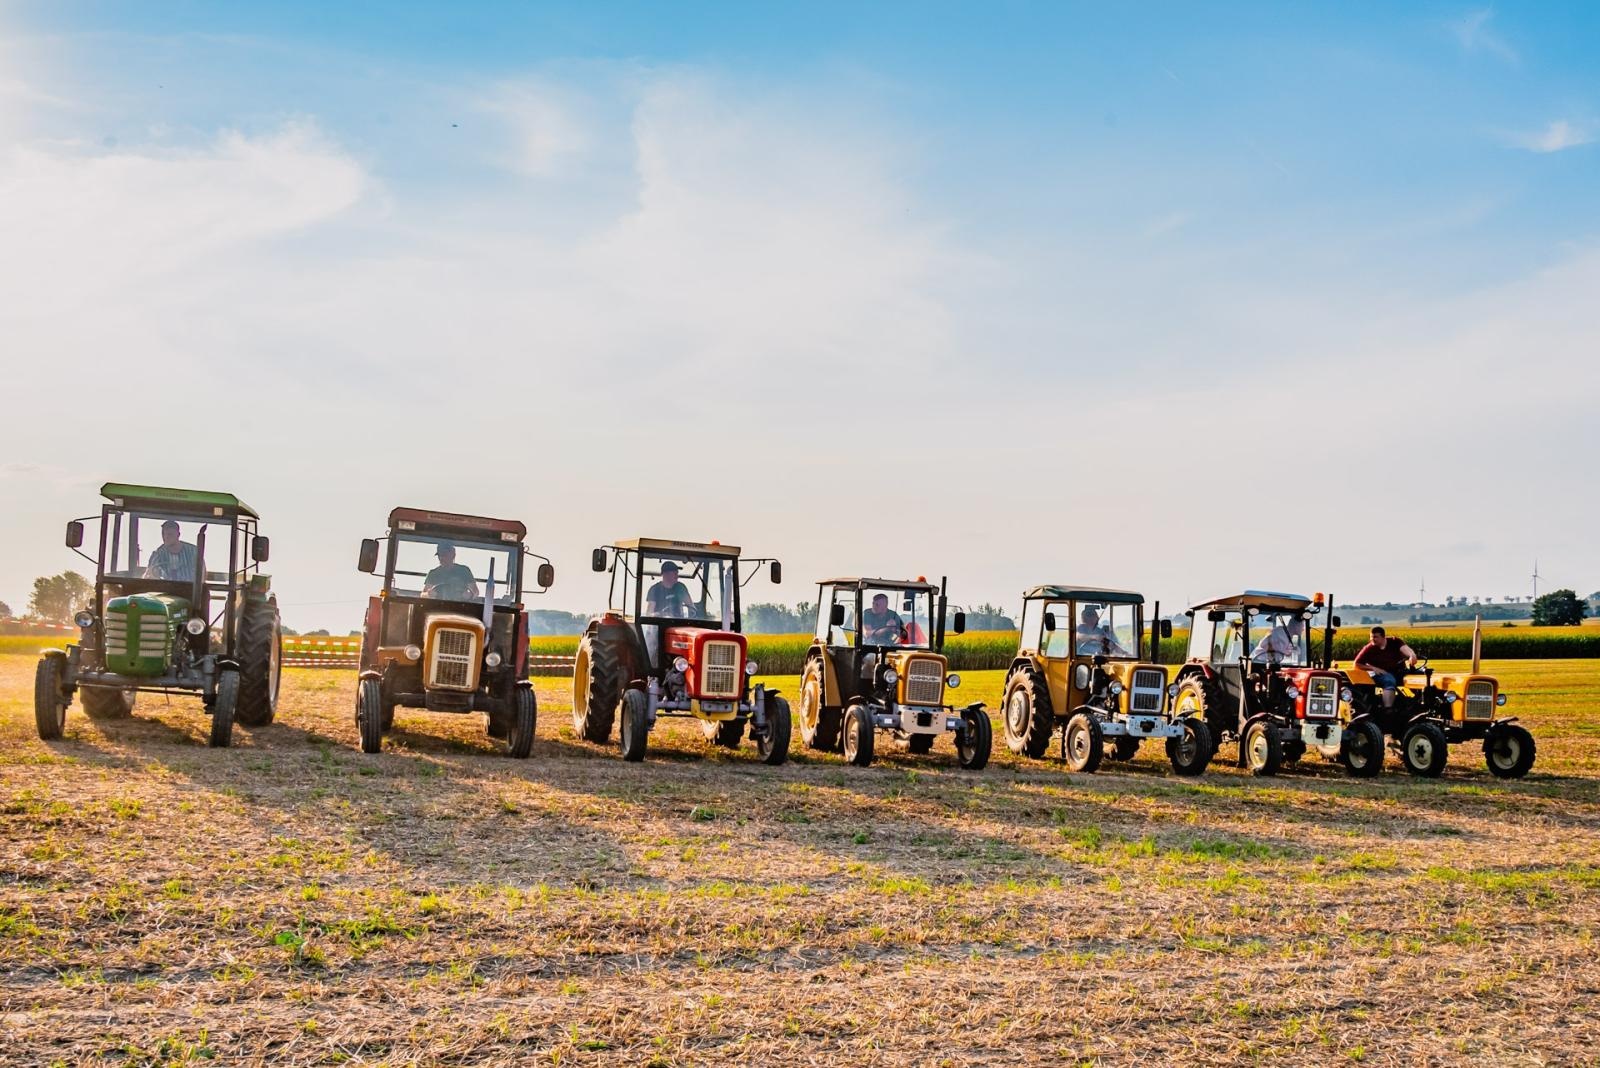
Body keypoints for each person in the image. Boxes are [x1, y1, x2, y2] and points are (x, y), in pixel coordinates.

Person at [1353, 626, 1419, 710]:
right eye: (1371, 637)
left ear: (1383, 637)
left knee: (1421, 676)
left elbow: (1406, 649)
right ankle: (1388, 710)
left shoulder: (1395, 642)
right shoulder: (1369, 648)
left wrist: (1412, 656)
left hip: (1399, 671)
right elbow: (1357, 664)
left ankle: (1419, 703)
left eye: (1375, 637)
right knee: (1389, 680)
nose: (1372, 639)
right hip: (1381, 673)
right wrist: (1374, 668)